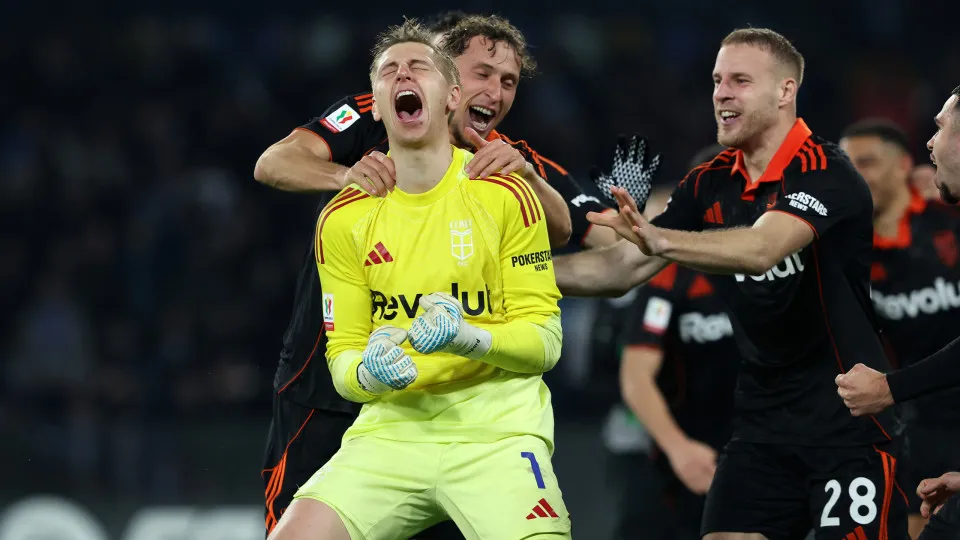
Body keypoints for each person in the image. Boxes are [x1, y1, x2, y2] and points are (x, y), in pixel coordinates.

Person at [255, 13, 623, 536]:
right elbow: (273, 163)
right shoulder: (372, 114)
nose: (494, 92)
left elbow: (573, 235)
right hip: (327, 388)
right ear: (449, 78)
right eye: (483, 74)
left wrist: (529, 193)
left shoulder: (503, 163)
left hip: (461, 414)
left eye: (508, 81)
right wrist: (348, 176)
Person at [556, 28, 908, 539]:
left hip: (846, 423)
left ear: (785, 91)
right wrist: (512, 275)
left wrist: (660, 238)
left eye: (740, 81)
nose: (721, 93)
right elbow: (620, 268)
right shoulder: (708, 182)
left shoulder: (827, 172)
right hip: (762, 427)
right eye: (718, 81)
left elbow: (762, 248)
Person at [609, 144, 741, 540]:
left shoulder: (780, 265)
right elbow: (636, 376)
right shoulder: (672, 275)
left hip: (766, 446)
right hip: (691, 451)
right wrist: (679, 448)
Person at [839, 118, 960, 539]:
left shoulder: (949, 216)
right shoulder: (845, 250)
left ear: (904, 166)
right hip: (919, 417)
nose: (855, 176)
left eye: (867, 162)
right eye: (847, 165)